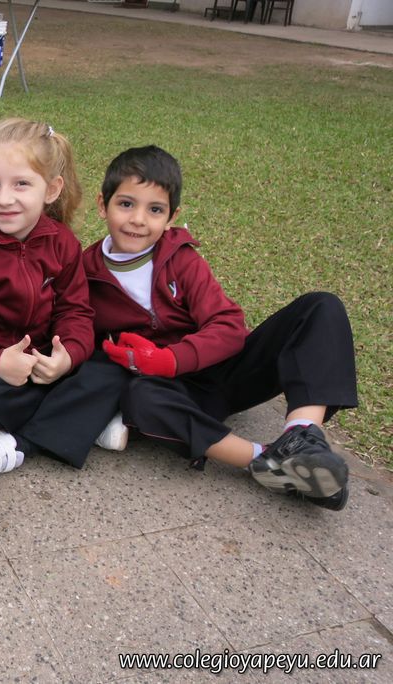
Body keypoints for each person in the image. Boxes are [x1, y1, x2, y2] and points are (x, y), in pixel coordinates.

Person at [83, 145, 355, 510]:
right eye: (126, 204)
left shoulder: (181, 260)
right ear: (103, 205)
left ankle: (303, 434)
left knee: (321, 306)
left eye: (155, 209)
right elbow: (82, 335)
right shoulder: (86, 272)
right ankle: (264, 460)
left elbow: (228, 327)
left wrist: (170, 359)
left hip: (227, 369)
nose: (138, 219)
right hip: (176, 392)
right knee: (139, 398)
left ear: (172, 216)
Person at [0, 118, 130, 483]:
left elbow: (76, 311)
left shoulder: (62, 243)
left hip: (44, 364)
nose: (5, 198)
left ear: (51, 189)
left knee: (110, 367)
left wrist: (67, 356)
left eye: (21, 184)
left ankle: (20, 439)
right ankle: (82, 420)